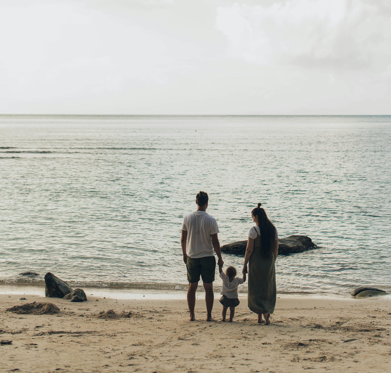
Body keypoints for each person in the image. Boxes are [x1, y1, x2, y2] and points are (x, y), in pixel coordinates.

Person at [181, 191, 224, 321]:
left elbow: (183, 239)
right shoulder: (211, 220)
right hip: (207, 256)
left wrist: (184, 253)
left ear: (196, 202)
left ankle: (192, 315)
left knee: (192, 286)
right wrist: (220, 258)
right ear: (207, 203)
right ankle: (209, 315)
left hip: (192, 256)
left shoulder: (187, 218)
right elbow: (215, 242)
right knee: (208, 287)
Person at [242, 203, 278, 325]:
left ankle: (259, 317)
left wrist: (244, 264)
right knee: (267, 287)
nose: (252, 219)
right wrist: (273, 261)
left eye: (252, 217)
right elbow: (276, 249)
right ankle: (266, 314)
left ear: (256, 216)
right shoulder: (273, 229)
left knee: (256, 287)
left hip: (256, 261)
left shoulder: (254, 230)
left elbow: (249, 249)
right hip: (269, 260)